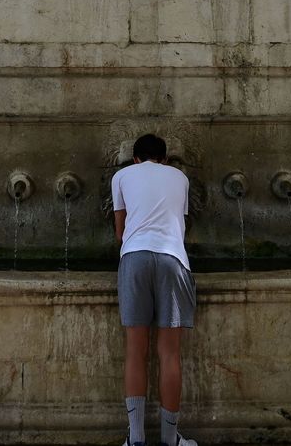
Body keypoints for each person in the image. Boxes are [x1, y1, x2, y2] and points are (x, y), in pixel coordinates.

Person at [112, 133, 197, 446]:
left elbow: (121, 233)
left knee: (136, 350)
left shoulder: (121, 176)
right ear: (164, 159)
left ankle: (135, 440)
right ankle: (170, 439)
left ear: (135, 158)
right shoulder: (180, 178)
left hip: (134, 257)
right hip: (173, 258)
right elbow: (179, 224)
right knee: (169, 354)